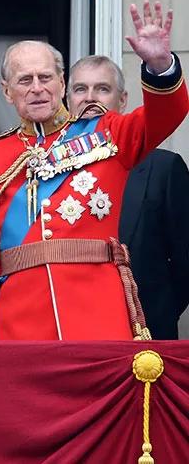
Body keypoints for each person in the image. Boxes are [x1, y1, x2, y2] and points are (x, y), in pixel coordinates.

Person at [0, 1, 188, 340]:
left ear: (61, 82)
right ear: (6, 91)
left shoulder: (107, 132)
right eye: (24, 80)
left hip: (97, 314)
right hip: (21, 321)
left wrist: (160, 65)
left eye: (46, 77)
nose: (37, 87)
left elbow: (166, 115)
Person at [68, 54, 189, 340]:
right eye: (80, 89)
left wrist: (160, 310)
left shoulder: (163, 168)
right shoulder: (48, 171)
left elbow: (185, 263)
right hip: (71, 329)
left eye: (102, 88)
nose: (90, 98)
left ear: (122, 100)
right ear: (68, 100)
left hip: (144, 332)